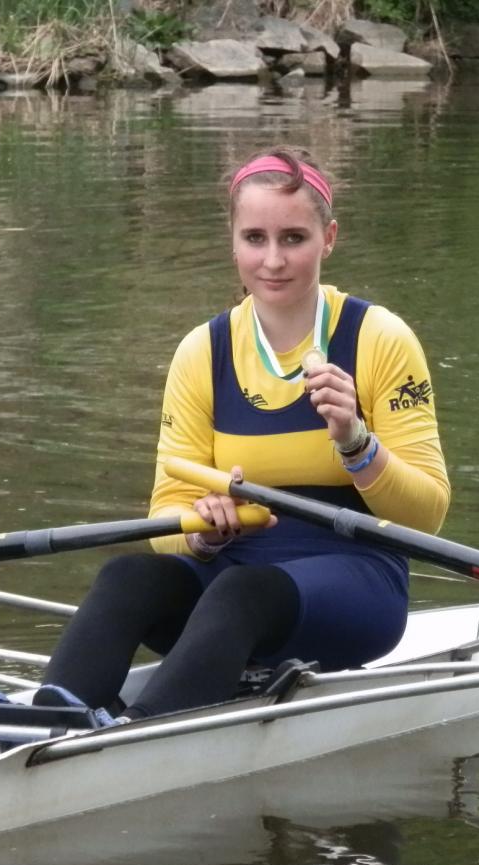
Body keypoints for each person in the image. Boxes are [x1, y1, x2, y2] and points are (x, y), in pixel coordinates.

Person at [37, 146, 450, 723]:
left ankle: (138, 733)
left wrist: (356, 441)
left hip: (357, 583)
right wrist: (202, 534)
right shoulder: (202, 351)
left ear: (329, 238)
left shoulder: (380, 339)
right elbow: (167, 510)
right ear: (233, 242)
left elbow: (427, 517)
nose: (273, 260)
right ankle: (52, 718)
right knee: (125, 577)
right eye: (255, 238)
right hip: (230, 583)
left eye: (294, 238)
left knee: (243, 591)